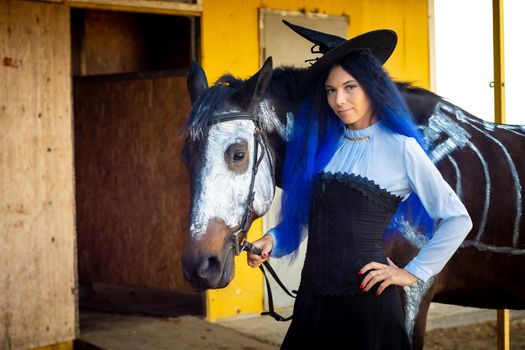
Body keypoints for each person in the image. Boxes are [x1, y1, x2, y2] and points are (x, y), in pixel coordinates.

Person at [247, 23, 473, 350]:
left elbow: (457, 218)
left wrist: (413, 272)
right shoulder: (325, 147)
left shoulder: (401, 148)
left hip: (367, 306)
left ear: (371, 86)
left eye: (349, 87)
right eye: (330, 90)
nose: (339, 100)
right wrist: (272, 240)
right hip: (312, 302)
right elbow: (318, 218)